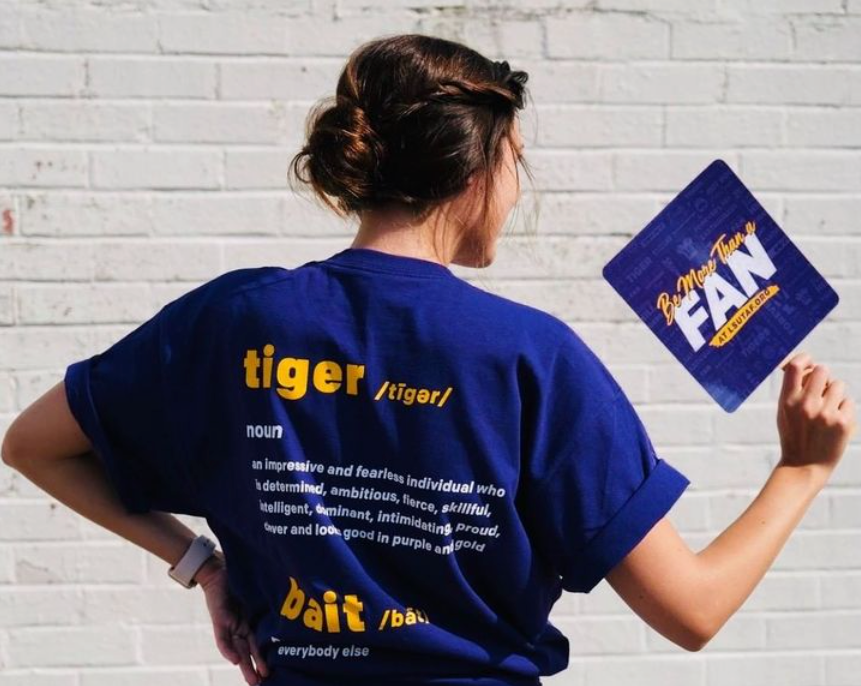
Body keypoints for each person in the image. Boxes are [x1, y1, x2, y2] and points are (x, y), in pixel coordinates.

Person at [1, 32, 857, 686]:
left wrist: (203, 566)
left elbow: (32, 445)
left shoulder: (234, 319)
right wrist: (801, 469)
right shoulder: (532, 359)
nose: (518, 192)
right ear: (476, 168)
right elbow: (693, 611)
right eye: (517, 163)